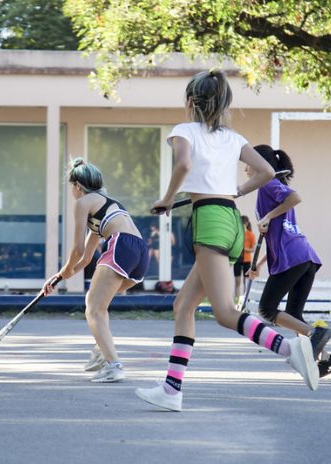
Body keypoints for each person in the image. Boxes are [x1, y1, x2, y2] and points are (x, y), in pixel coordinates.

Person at [135, 70, 319, 413]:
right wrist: (235, 191)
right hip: (231, 219)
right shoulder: (234, 138)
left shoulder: (184, 131)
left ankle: (288, 349)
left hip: (210, 221)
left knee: (224, 312)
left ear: (190, 102)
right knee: (183, 306)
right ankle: (171, 389)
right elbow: (266, 172)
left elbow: (184, 164)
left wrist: (165, 199)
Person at [43, 158, 149, 383]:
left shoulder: (83, 203)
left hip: (121, 245)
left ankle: (113, 365)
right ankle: (103, 349)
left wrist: (64, 270)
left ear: (77, 186)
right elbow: (85, 258)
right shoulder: (104, 206)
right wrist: (60, 276)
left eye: (71, 186)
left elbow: (77, 248)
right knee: (99, 306)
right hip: (140, 252)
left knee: (93, 308)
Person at [245, 145, 331, 378]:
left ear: (259, 165)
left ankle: (316, 333)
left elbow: (296, 197)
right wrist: (259, 264)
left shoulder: (268, 183)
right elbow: (275, 234)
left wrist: (266, 216)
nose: (245, 167)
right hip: (303, 255)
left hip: (293, 256)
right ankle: (326, 359)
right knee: (293, 316)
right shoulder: (270, 187)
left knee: (266, 309)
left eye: (248, 162)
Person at [233, 215, 256, 302]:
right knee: (237, 282)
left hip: (247, 260)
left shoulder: (250, 235)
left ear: (246, 224)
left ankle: (245, 300)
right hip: (237, 260)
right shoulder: (236, 234)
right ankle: (237, 300)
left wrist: (244, 249)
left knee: (246, 281)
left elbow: (253, 249)